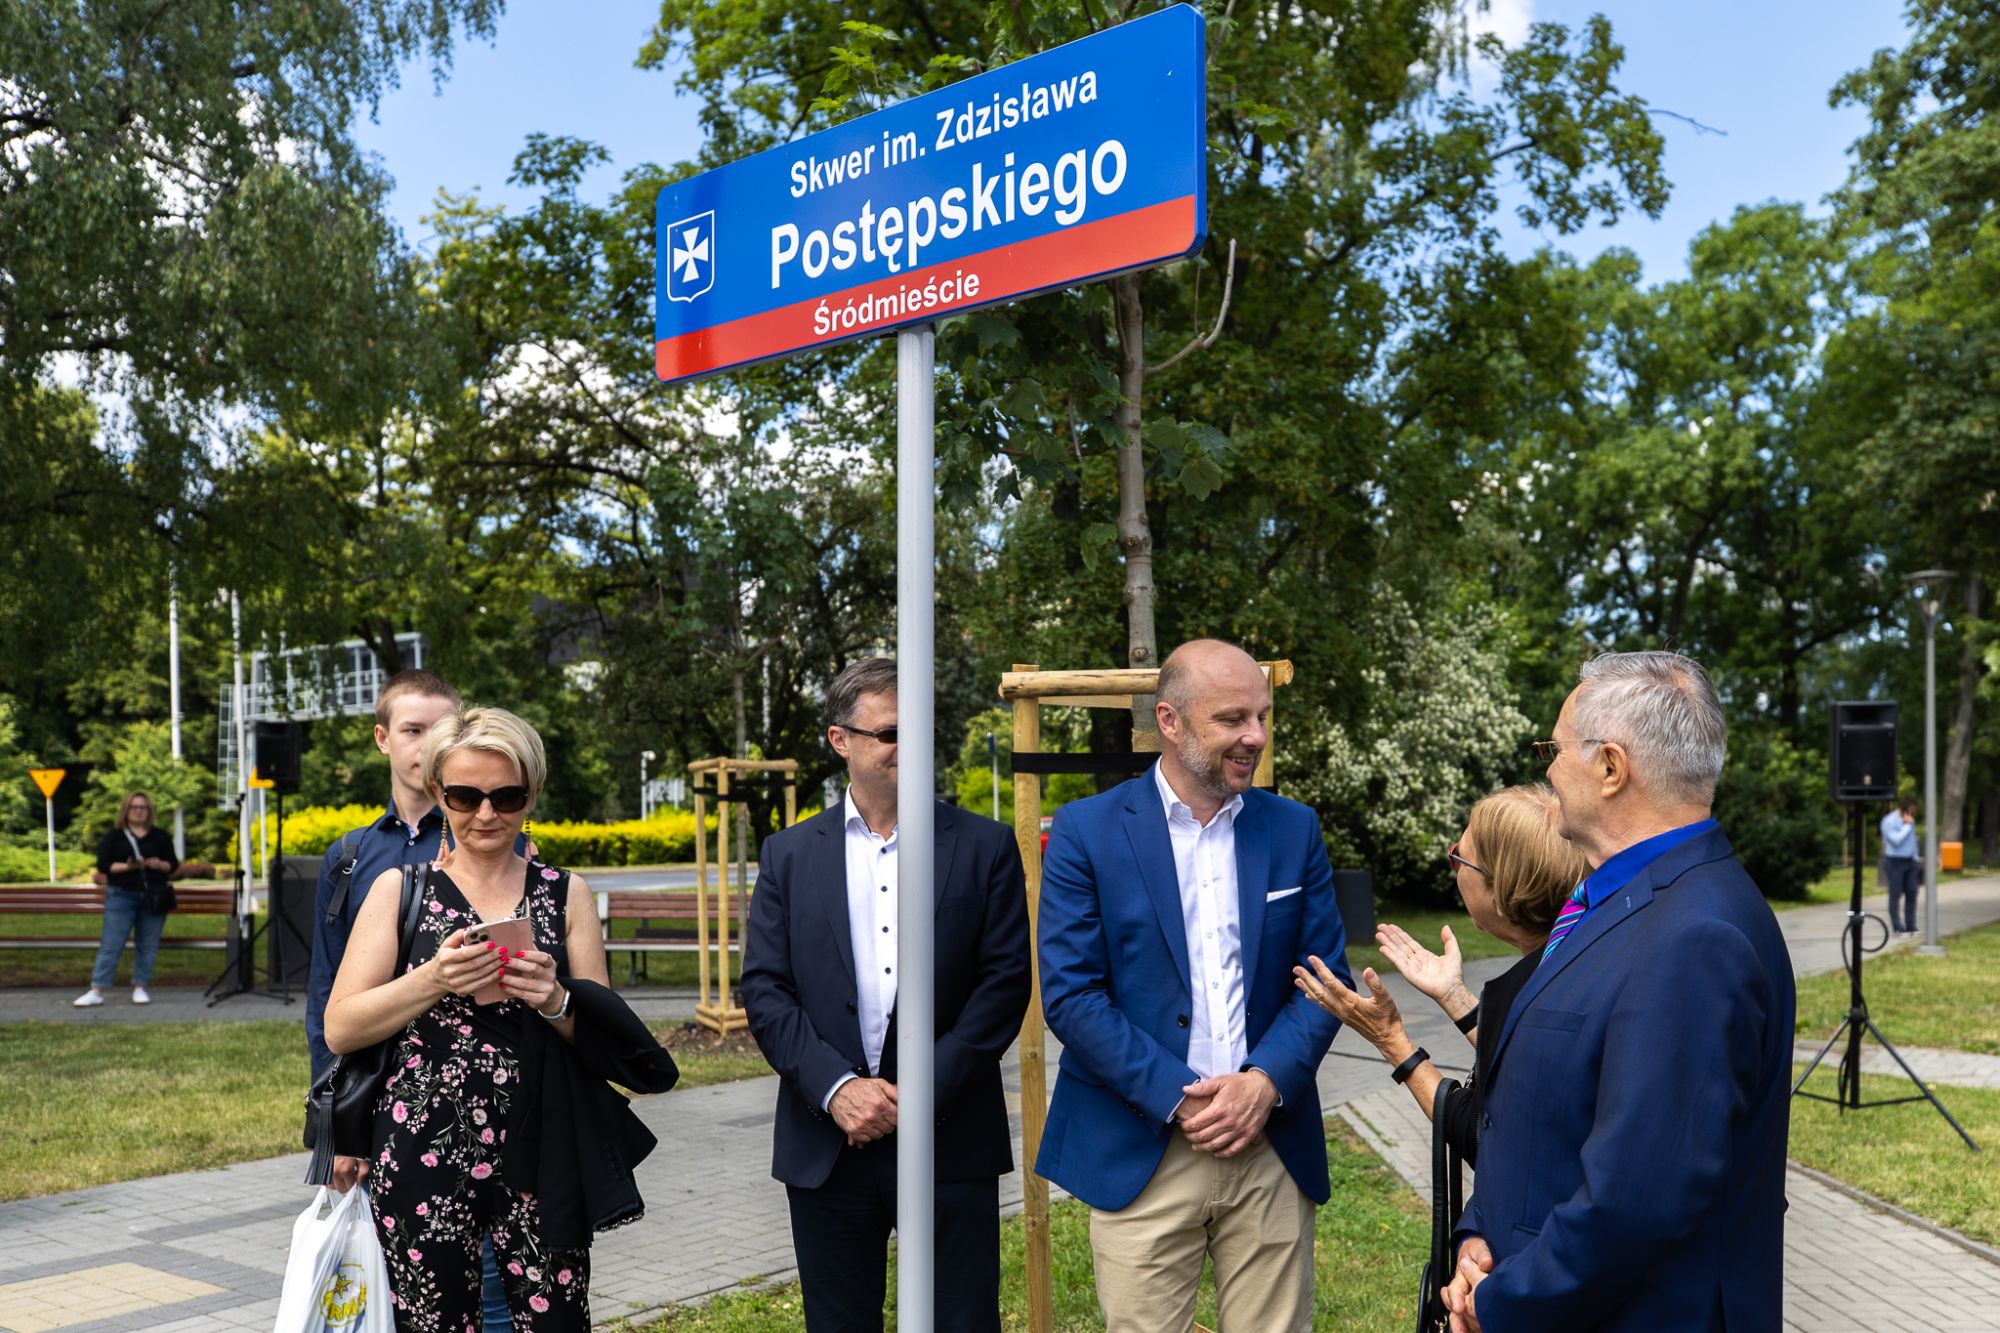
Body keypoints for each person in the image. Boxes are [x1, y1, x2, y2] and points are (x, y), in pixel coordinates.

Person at [1441, 651, 1795, 1333]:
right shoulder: (1615, 901)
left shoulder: (1697, 935)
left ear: (1610, 767)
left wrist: (1500, 1301)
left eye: (1555, 747)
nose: (1546, 767)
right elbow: (1537, 1116)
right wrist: (1478, 1233)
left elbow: (1637, 1197)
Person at [1035, 639, 1346, 1333]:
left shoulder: (1293, 828)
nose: (1255, 737)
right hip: (1139, 1142)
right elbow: (1072, 993)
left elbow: (1324, 980)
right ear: (1169, 721)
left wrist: (1263, 1082)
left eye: (1261, 716)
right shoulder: (1087, 831)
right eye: (1233, 717)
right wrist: (1181, 1097)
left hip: (1269, 1141)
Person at [326, 706, 670, 1332]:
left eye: (506, 797)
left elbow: (603, 1040)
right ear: (438, 792)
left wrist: (556, 1000)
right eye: (465, 795)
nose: (486, 814)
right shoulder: (400, 890)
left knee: (556, 1320)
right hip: (421, 1146)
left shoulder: (566, 893)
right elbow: (341, 1025)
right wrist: (432, 979)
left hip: (544, 1146)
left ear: (531, 794)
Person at [740, 656, 1031, 1333]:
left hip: (950, 1135)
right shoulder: (788, 854)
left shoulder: (984, 846)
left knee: (961, 1321)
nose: (909, 745)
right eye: (891, 731)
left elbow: (1004, 982)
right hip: (827, 1141)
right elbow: (766, 987)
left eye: (919, 728)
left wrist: (920, 1089)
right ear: (842, 739)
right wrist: (838, 1087)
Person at [307, 668, 525, 1332]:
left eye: (441, 726)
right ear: (383, 738)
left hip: (480, 1117)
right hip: (379, 1103)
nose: (428, 740)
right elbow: (328, 996)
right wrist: (335, 1128)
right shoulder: (351, 856)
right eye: (412, 728)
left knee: (488, 1297)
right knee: (397, 1297)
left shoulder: (491, 835)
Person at [1293, 784, 1590, 1163]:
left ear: (1500, 889)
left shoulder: (1542, 997)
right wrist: (1455, 998)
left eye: (1458, 858)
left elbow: (1482, 1136)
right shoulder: (1575, 960)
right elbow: (1521, 1064)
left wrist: (1391, 1040)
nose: (1454, 868)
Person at [74, 790, 179, 1007]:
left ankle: (140, 986)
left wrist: (159, 864)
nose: (139, 811)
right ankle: (96, 989)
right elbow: (105, 866)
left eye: (144, 807)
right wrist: (129, 866)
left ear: (150, 811)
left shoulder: (160, 836)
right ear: (126, 810)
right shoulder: (115, 836)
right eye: (135, 807)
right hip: (121, 896)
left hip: (153, 896)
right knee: (112, 943)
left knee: (147, 944)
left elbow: (173, 865)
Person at [1881, 797, 1919, 936]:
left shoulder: (1910, 820)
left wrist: (1915, 857)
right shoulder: (1889, 821)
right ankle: (1897, 927)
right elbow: (1896, 841)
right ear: (1905, 809)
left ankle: (1911, 925)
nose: (1913, 814)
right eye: (1911, 811)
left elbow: (1912, 840)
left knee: (1912, 892)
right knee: (1895, 894)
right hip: (1895, 861)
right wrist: (1907, 826)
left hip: (1910, 861)